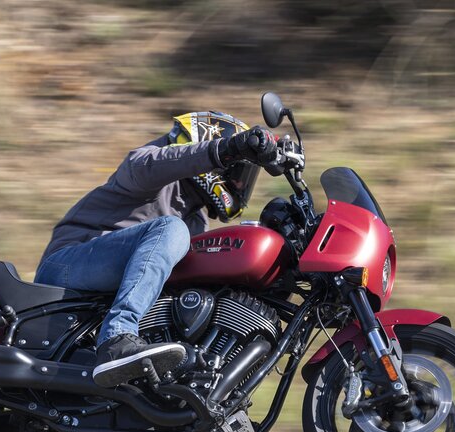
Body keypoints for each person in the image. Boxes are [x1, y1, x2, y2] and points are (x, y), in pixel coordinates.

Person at [36, 111, 298, 388]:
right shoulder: (149, 170)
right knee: (173, 229)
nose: (240, 184)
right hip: (66, 267)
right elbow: (158, 163)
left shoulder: (196, 220)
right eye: (236, 173)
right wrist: (227, 149)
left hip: (99, 287)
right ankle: (117, 335)